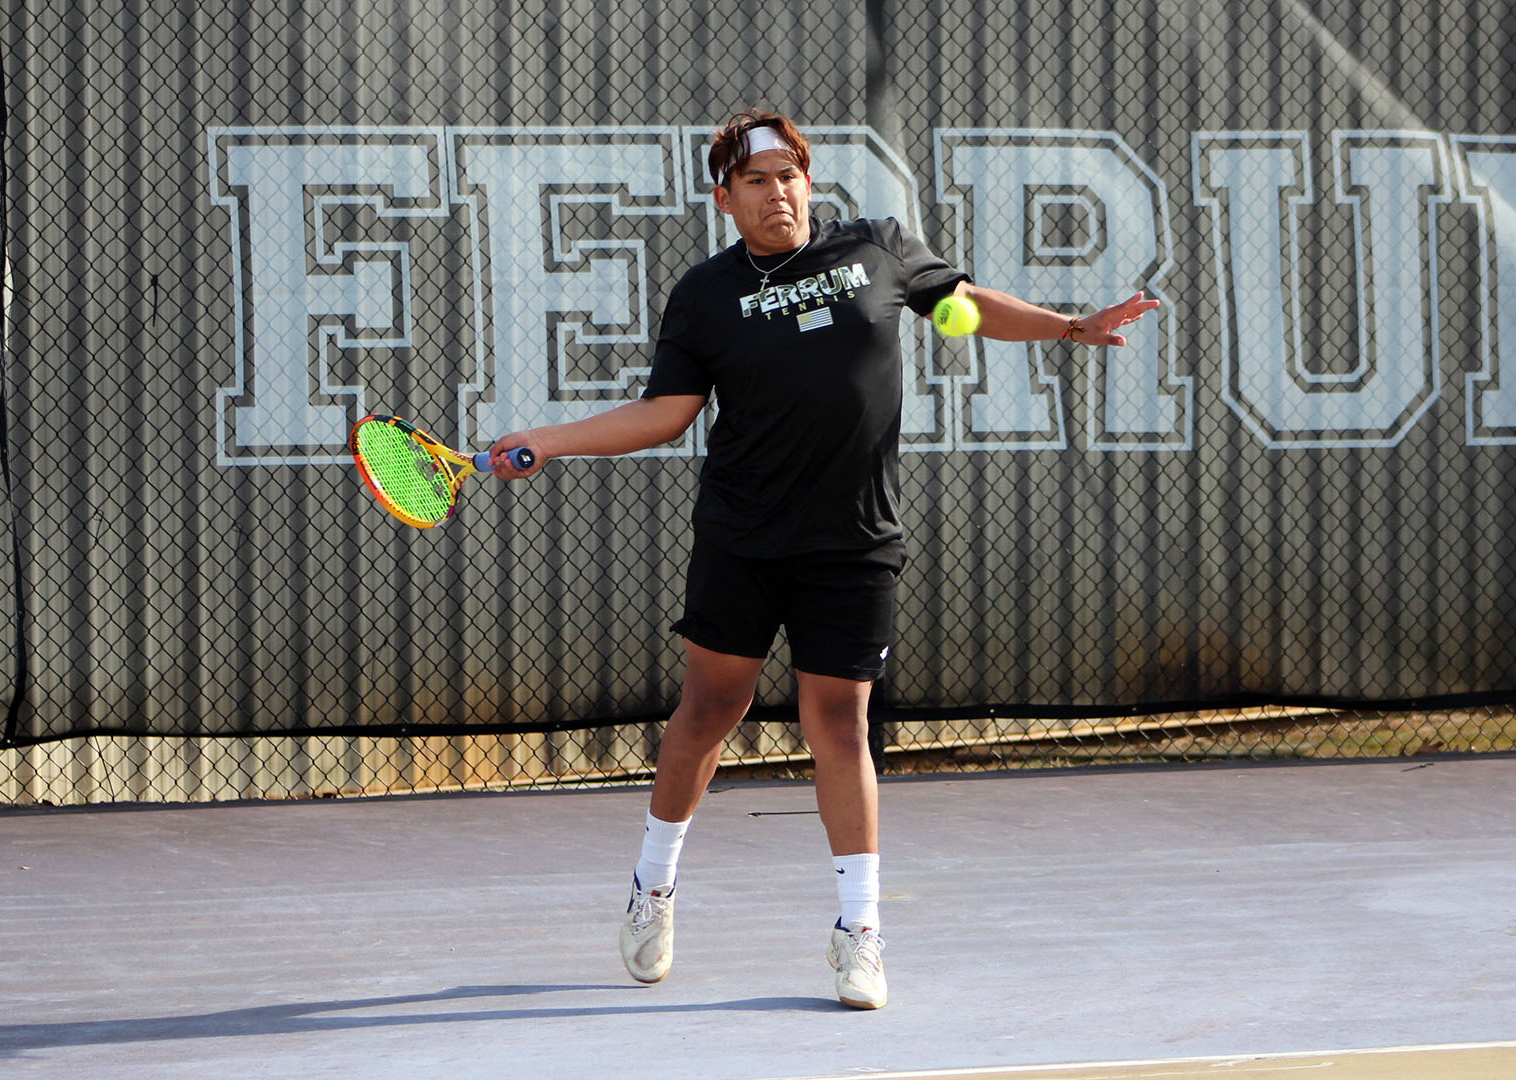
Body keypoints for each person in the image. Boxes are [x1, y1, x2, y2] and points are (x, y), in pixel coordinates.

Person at [489, 110, 1158, 1010]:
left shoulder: (876, 251)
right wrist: (550, 440)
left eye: (792, 174)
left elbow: (965, 305)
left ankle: (861, 933)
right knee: (708, 711)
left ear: (809, 181)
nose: (780, 192)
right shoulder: (705, 296)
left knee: (838, 723)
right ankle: (654, 886)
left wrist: (1069, 327)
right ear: (724, 197)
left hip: (853, 541)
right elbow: (666, 413)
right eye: (758, 180)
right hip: (744, 536)